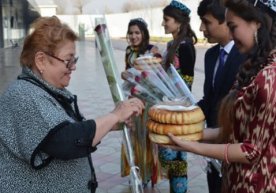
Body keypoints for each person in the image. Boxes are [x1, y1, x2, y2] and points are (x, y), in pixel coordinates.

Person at [0, 16, 144, 193]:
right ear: (41, 61)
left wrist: (114, 124)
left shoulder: (47, 90)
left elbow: (75, 130)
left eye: (74, 60)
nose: (73, 67)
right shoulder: (22, 95)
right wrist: (114, 115)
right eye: (68, 60)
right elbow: (66, 140)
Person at [166, 0, 276, 192]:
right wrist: (190, 136)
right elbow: (234, 132)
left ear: (257, 23)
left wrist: (194, 147)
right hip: (234, 180)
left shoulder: (270, 74)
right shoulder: (253, 68)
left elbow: (252, 151)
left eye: (233, 27)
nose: (231, 35)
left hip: (256, 185)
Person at [196, 0, 245, 192]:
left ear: (226, 22)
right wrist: (182, 113)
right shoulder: (210, 56)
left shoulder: (247, 57)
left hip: (237, 148)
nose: (201, 28)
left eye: (206, 22)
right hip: (212, 144)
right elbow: (209, 100)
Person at [158, 1, 197, 192]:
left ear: (179, 22)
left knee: (178, 158)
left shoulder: (186, 46)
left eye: (166, 20)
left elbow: (186, 84)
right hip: (168, 108)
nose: (163, 24)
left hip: (178, 110)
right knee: (171, 158)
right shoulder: (172, 44)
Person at [120, 17, 161, 186]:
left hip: (149, 101)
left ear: (144, 33)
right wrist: (125, 75)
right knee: (133, 135)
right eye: (131, 33)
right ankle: (136, 172)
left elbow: (158, 75)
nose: (134, 36)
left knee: (147, 137)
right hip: (133, 99)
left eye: (137, 32)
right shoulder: (129, 51)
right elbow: (127, 73)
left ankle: (149, 176)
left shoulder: (153, 50)